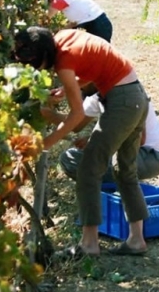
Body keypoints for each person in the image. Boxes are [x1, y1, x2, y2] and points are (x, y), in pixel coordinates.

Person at [12, 26, 149, 257]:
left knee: (88, 170)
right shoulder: (65, 37)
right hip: (136, 96)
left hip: (121, 102)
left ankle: (89, 244)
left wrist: (44, 144)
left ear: (44, 56)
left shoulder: (63, 62)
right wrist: (69, 89)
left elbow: (76, 118)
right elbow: (94, 64)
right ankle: (137, 240)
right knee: (125, 170)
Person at [54, 94, 159, 184]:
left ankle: (116, 197)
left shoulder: (125, 95)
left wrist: (95, 142)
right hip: (137, 156)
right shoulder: (97, 94)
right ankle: (112, 197)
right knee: (73, 158)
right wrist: (47, 113)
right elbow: (75, 124)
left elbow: (138, 139)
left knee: (74, 161)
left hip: (150, 156)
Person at [41, 0, 113, 43]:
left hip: (96, 27)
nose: (50, 3)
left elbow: (47, 17)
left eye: (49, 0)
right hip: (101, 24)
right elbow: (74, 23)